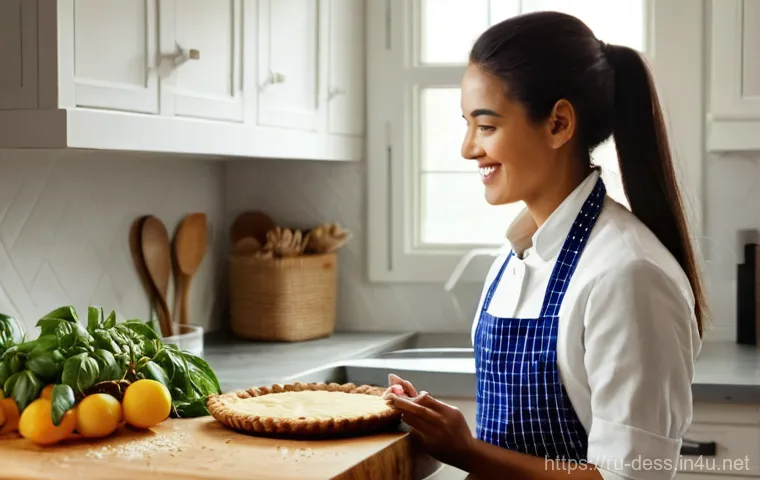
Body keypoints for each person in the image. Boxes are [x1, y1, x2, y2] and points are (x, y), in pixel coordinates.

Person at [384, 11, 706, 480]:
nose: (467, 148)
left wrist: (468, 451)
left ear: (558, 123)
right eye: (466, 124)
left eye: (486, 126)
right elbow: (515, 439)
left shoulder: (629, 273)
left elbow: (629, 478)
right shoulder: (518, 254)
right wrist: (437, 432)